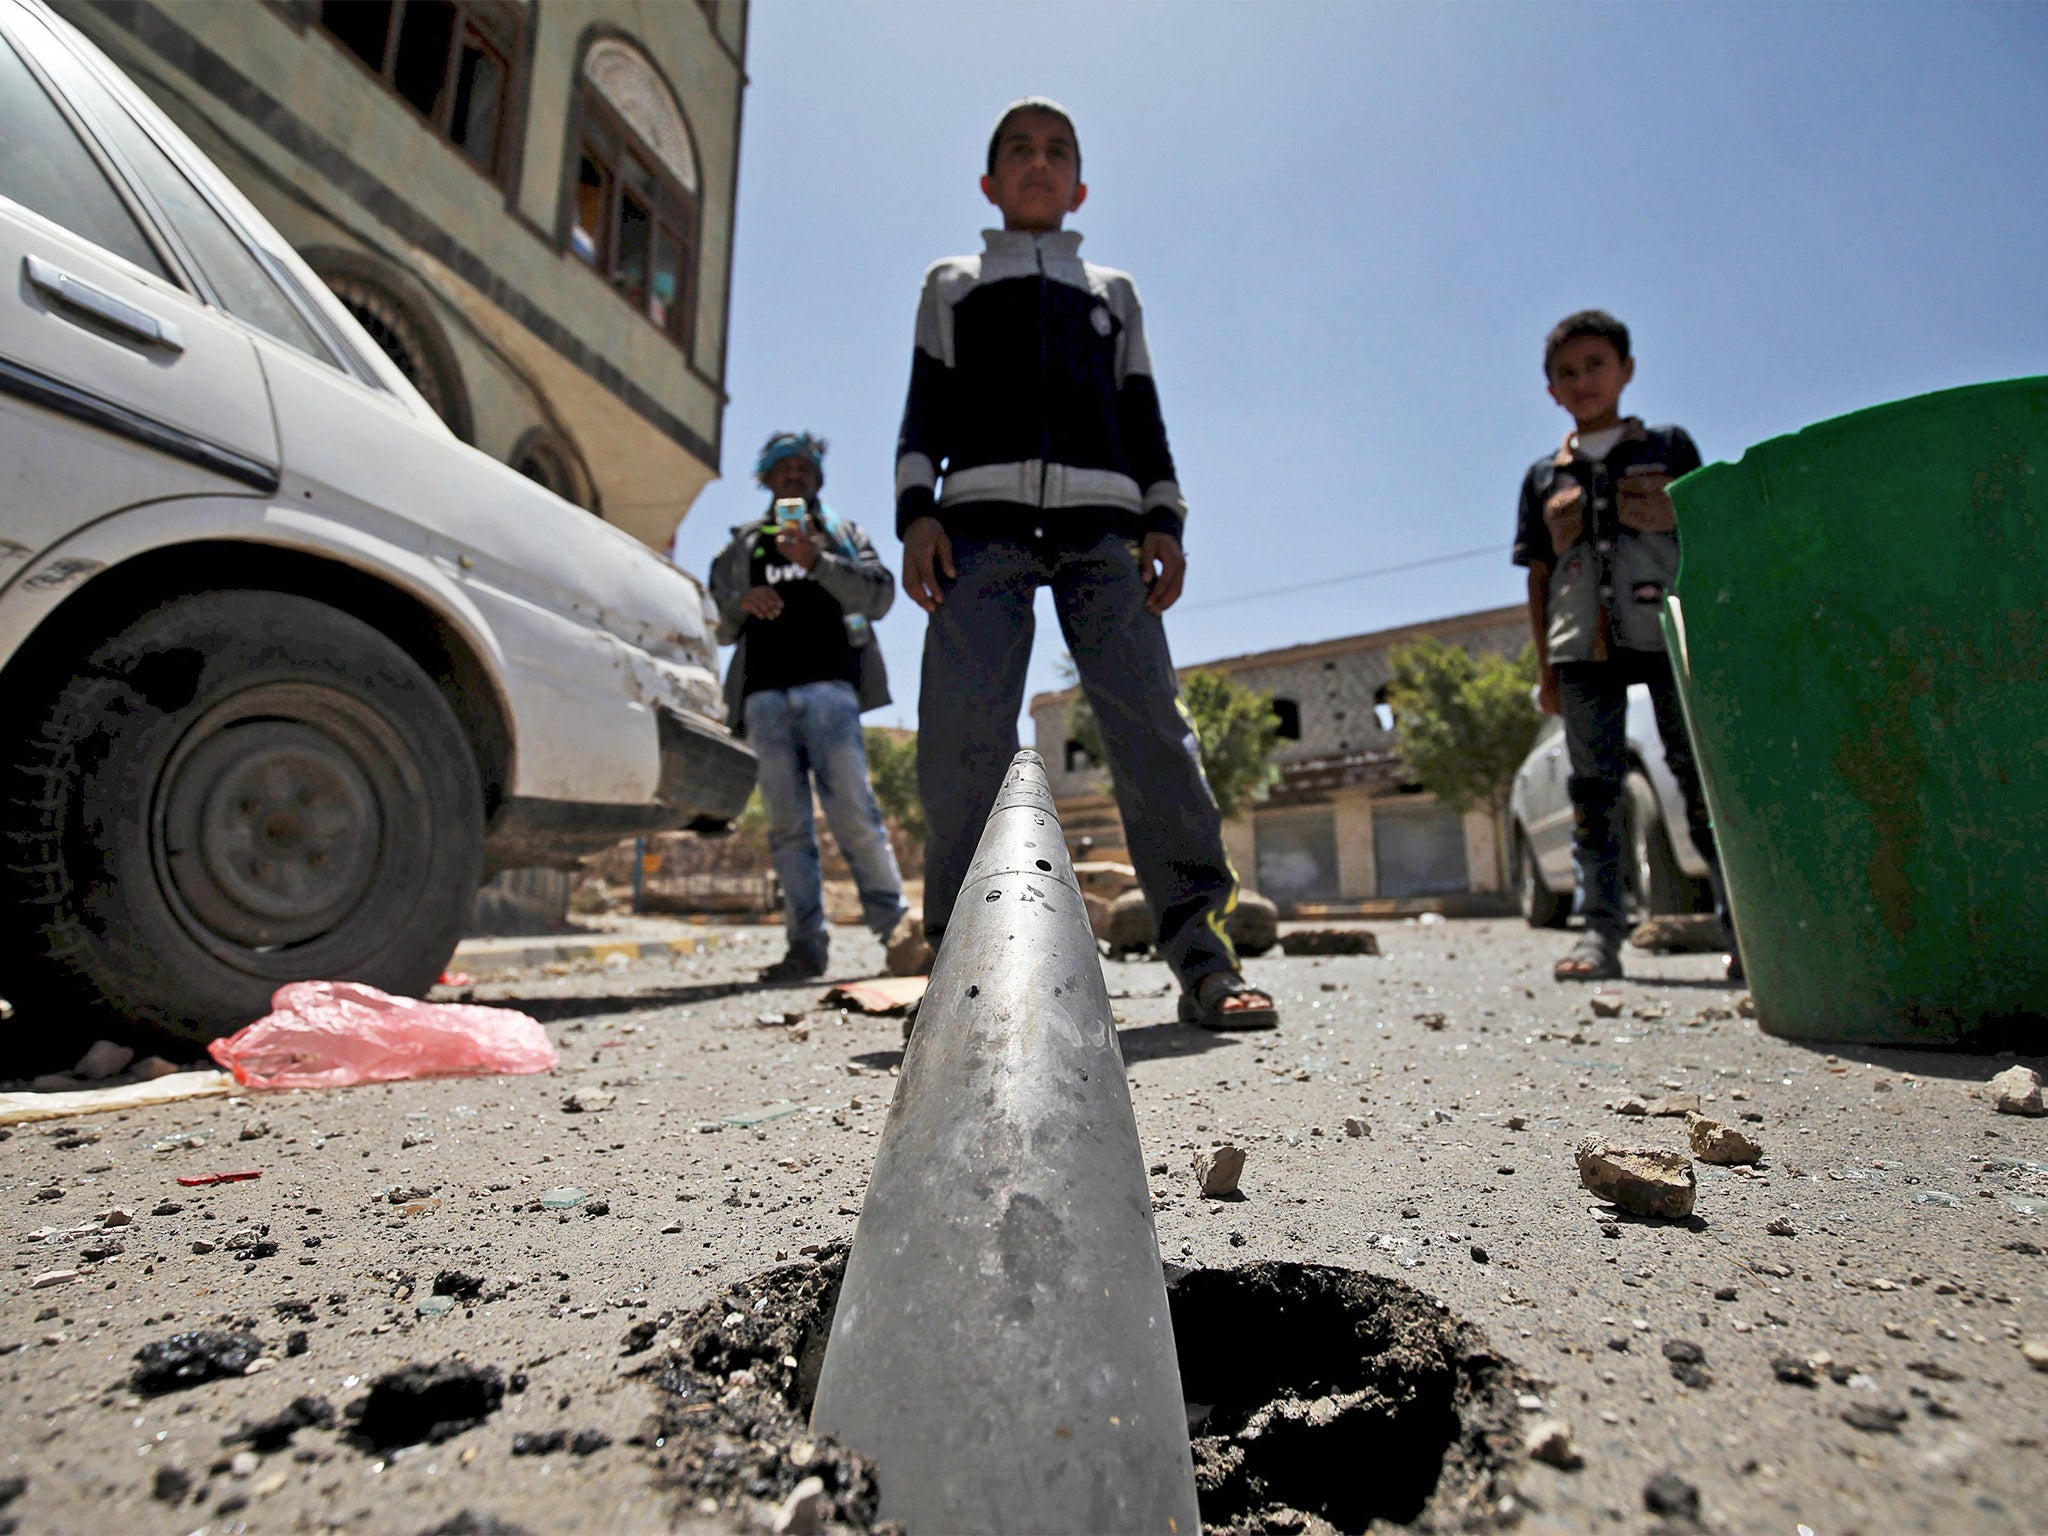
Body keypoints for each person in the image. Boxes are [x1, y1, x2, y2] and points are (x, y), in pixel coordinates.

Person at [894, 97, 1276, 1029]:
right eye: (1019, 150)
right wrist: (914, 514)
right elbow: (924, 410)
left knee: (1154, 732)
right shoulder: (953, 281)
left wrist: (1165, 517)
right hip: (978, 530)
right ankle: (960, 984)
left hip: (1105, 533)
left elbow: (1143, 412)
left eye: (1057, 151)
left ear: (1080, 184)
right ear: (989, 181)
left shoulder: (1113, 292)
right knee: (962, 739)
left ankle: (1206, 958)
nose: (1038, 162)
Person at [1512, 310, 1739, 983]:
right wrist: (1546, 667)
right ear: (1551, 389)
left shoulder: (1669, 449)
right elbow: (1539, 578)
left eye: (1596, 366)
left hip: (1666, 637)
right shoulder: (1542, 479)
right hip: (1582, 648)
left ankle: (1742, 930)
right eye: (1567, 372)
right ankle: (1600, 937)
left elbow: (1707, 543)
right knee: (1594, 792)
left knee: (1698, 781)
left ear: (1627, 371)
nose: (1584, 381)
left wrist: (1712, 642)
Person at [710, 433, 910, 982]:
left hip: (832, 690)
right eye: (783, 468)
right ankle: (805, 948)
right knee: (786, 826)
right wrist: (740, 602)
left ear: (817, 480)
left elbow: (881, 596)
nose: (794, 475)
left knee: (853, 810)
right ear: (767, 480)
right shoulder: (743, 545)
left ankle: (899, 934)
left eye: (804, 468)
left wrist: (817, 561)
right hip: (763, 695)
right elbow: (720, 623)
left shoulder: (842, 536)